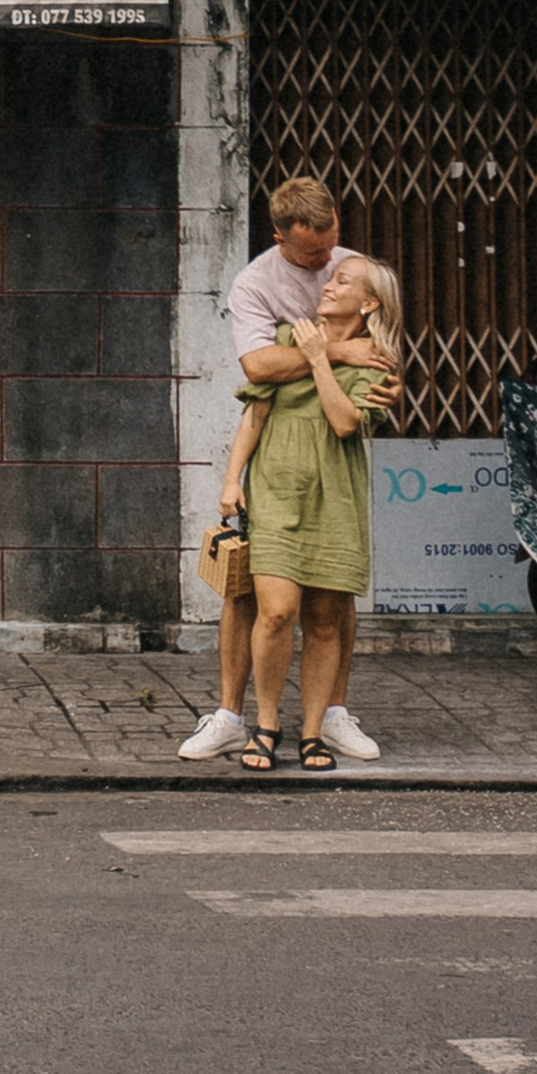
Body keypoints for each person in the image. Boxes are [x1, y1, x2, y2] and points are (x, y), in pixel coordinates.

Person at [177, 174, 387, 764]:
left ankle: (327, 716)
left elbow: (379, 350)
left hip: (331, 462)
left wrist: (352, 362)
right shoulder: (257, 283)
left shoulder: (353, 267)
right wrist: (332, 352)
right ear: (279, 238)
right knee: (259, 599)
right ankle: (232, 715)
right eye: (313, 255)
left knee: (330, 601)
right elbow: (259, 365)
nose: (327, 264)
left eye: (333, 247)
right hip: (278, 461)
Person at [220, 256, 404, 774]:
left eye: (343, 281)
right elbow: (255, 414)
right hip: (277, 487)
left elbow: (346, 423)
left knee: (324, 621)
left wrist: (323, 360)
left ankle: (312, 731)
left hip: (336, 495)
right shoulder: (287, 335)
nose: (329, 283)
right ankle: (267, 724)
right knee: (277, 611)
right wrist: (233, 479)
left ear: (368, 304)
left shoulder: (377, 359)